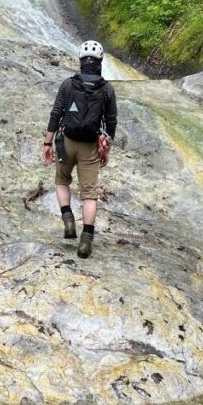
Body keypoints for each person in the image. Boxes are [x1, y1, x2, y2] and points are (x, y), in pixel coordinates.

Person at [42, 41, 118, 259]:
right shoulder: (107, 89)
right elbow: (111, 122)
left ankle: (68, 221)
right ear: (100, 62)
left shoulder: (68, 85)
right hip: (90, 146)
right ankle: (86, 241)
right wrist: (106, 150)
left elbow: (56, 113)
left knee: (62, 181)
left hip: (66, 142)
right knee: (89, 195)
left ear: (81, 61)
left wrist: (47, 143)